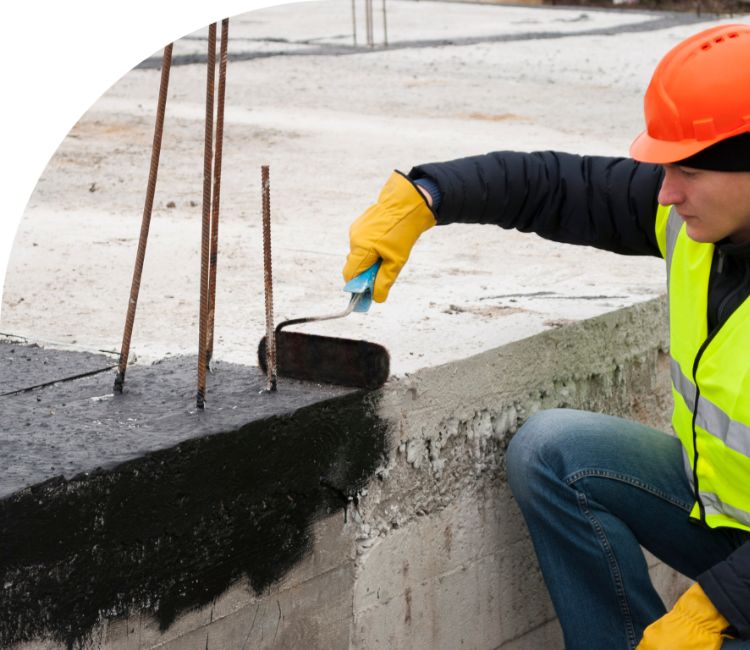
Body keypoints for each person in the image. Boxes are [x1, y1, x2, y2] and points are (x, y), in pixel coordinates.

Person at [342, 24, 750, 650]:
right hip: (726, 520)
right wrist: (427, 196)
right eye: (665, 166)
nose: (667, 192)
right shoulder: (698, 216)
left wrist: (714, 607)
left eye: (688, 170)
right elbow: (559, 185)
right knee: (554, 452)